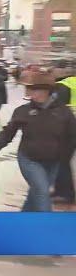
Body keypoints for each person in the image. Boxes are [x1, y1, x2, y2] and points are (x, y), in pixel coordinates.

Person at [0, 71, 76, 212]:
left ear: (46, 90)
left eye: (33, 89)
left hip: (54, 161)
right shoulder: (23, 111)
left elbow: (72, 136)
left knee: (35, 193)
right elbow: (8, 132)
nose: (28, 92)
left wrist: (64, 157)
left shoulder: (64, 113)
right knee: (42, 191)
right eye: (28, 88)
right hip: (29, 159)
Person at [52, 71, 76, 204]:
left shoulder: (62, 86)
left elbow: (58, 110)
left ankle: (65, 194)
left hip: (69, 128)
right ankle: (61, 191)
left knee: (61, 160)